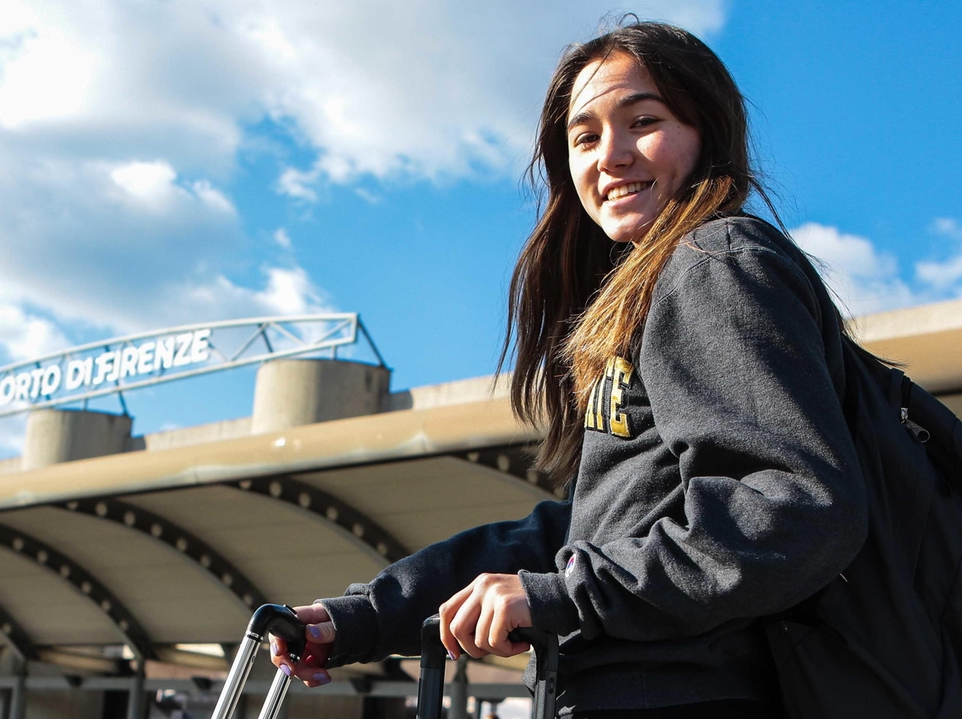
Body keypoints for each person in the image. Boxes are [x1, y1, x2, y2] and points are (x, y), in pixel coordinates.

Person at [271, 20, 867, 719]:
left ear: (708, 132)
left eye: (643, 120)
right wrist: (362, 617)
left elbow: (796, 504)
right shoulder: (648, 294)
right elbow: (590, 534)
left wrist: (563, 594)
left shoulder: (715, 261)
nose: (609, 155)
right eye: (584, 137)